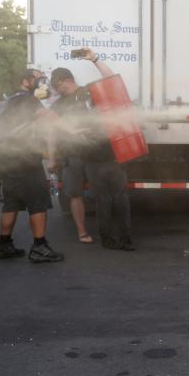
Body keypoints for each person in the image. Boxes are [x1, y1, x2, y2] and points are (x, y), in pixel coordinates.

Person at [50, 49, 136, 250]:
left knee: (121, 198)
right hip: (90, 158)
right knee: (102, 200)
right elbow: (51, 128)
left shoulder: (90, 90)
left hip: (111, 153)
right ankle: (107, 239)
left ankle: (126, 239)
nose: (57, 89)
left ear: (66, 80)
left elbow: (112, 79)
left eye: (58, 85)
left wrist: (95, 60)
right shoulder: (59, 105)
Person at [0, 68, 64, 262]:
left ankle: (3, 245)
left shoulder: (10, 100)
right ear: (26, 81)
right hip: (26, 161)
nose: (42, 82)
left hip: (7, 160)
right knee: (38, 203)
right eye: (38, 78)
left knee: (11, 203)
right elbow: (48, 118)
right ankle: (40, 247)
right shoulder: (28, 100)